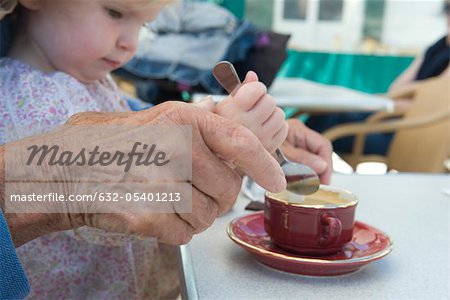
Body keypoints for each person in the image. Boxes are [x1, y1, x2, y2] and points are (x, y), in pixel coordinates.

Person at [0, 0, 331, 299]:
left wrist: (220, 124)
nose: (130, 44)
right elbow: (111, 215)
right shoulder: (30, 96)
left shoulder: (90, 81)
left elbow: (144, 120)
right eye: (115, 13)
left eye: (143, 25)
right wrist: (221, 138)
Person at [306, 1, 450, 157]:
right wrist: (403, 98)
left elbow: (434, 102)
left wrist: (390, 103)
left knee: (323, 126)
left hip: (411, 135)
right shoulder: (438, 46)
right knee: (321, 117)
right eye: (447, 8)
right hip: (392, 121)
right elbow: (397, 89)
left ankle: (304, 175)